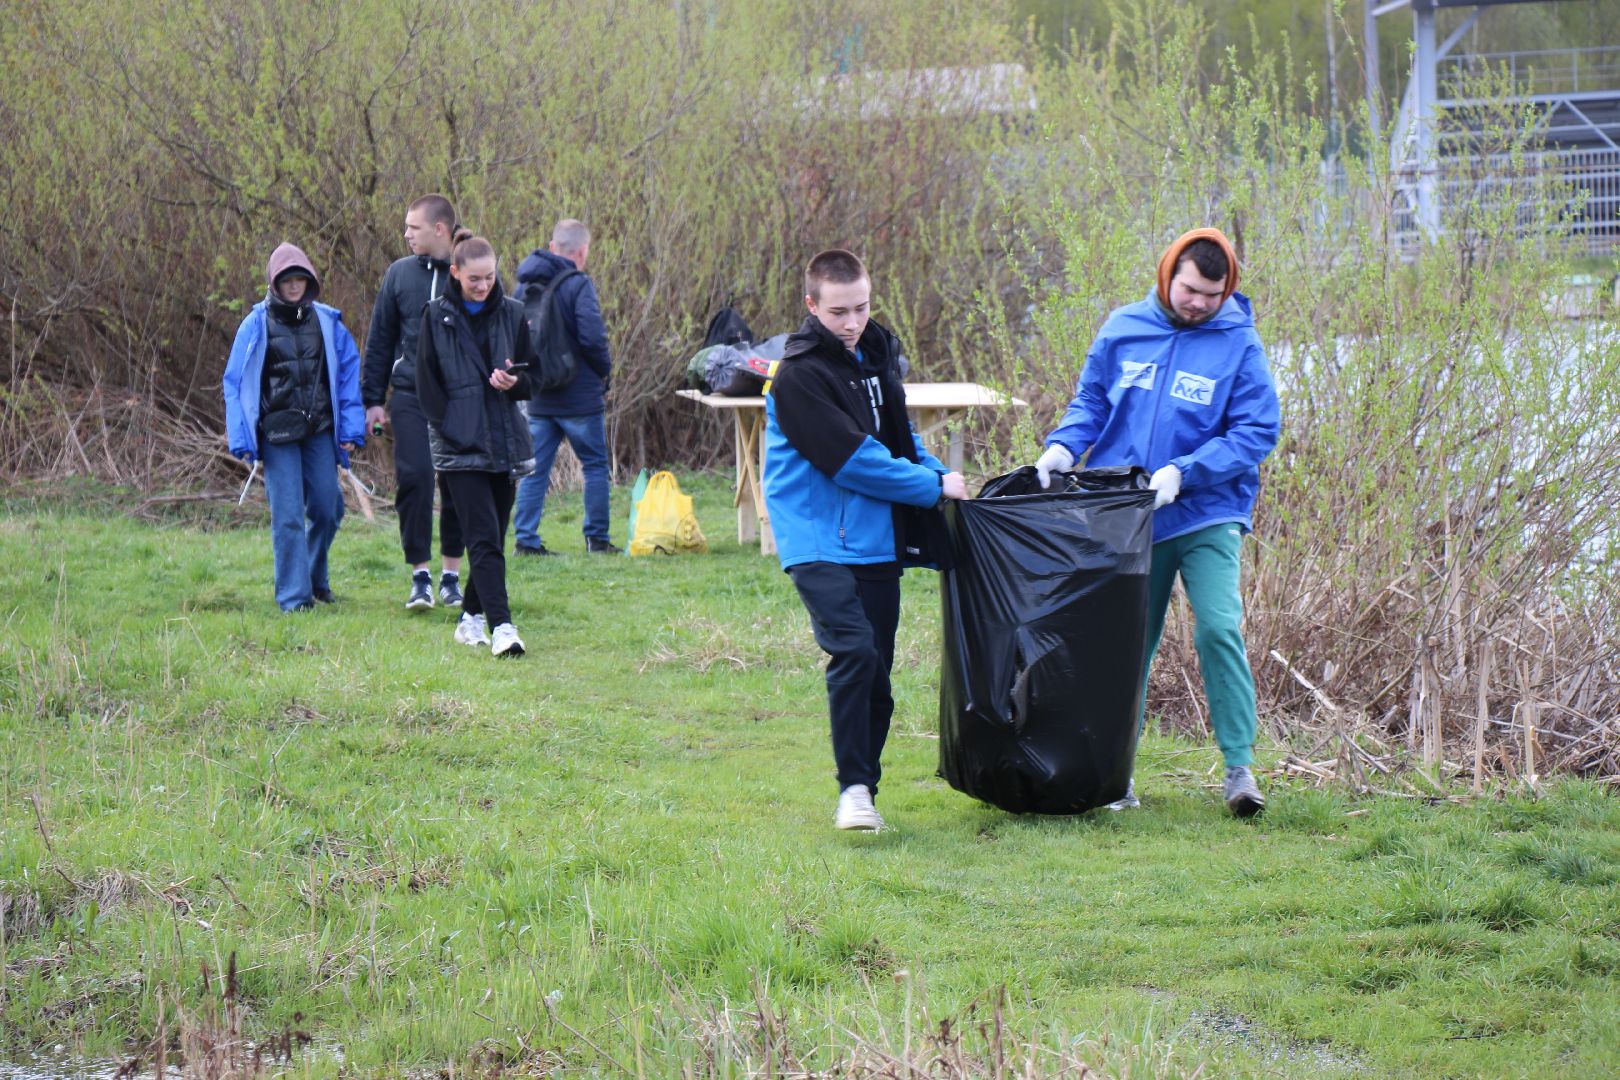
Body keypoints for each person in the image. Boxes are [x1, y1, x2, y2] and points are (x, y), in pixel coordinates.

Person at [1034, 227, 1280, 817]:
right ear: (1169, 273)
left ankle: (1240, 771)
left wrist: (1186, 471)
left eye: (1212, 295)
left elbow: (1256, 431)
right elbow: (1091, 402)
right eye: (1191, 289)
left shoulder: (1240, 346)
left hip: (1205, 511)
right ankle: (1115, 777)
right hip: (1125, 516)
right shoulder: (1123, 328)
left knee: (1219, 628)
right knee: (1123, 650)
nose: (1199, 303)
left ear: (1227, 293)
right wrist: (1063, 448)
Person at [763, 249, 968, 831]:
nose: (852, 323)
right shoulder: (798, 375)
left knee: (877, 673)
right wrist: (932, 486)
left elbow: (898, 442)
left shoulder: (876, 356)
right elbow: (853, 461)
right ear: (810, 306)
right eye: (838, 312)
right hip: (816, 539)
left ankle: (866, 793)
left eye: (861, 308)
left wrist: (939, 475)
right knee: (853, 650)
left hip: (876, 539)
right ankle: (852, 791)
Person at [224, 243, 365, 611]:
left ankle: (315, 578)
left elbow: (348, 376)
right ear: (274, 282)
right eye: (286, 279)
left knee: (328, 507)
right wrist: (240, 438)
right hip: (277, 434)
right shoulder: (255, 324)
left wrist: (351, 430)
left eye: (299, 278)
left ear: (310, 281)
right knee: (287, 516)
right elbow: (235, 383)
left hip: (318, 429)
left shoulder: (328, 322)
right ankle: (294, 598)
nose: (293, 285)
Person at [415, 231, 538, 657]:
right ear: (455, 273)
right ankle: (503, 628)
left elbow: (533, 377)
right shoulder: (433, 316)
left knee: (493, 537)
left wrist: (514, 382)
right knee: (484, 537)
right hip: (458, 447)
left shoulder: (514, 313)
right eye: (474, 279)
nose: (483, 286)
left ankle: (469, 620)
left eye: (489, 277)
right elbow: (425, 385)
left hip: (504, 443)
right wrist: (452, 427)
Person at [363, 194, 466, 611]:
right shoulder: (398, 275)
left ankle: (451, 577)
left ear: (439, 229)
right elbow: (379, 341)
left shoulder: (471, 271)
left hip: (460, 399)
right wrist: (372, 400)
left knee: (458, 485)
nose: (406, 234)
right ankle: (420, 576)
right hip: (407, 394)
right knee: (416, 478)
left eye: (414, 227)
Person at [511, 218, 620, 556]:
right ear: (583, 251)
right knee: (595, 466)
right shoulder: (578, 284)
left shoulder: (523, 286)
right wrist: (605, 371)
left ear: (552, 246)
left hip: (540, 394)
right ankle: (596, 539)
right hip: (581, 395)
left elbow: (514, 338)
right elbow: (592, 336)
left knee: (535, 470)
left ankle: (526, 541)